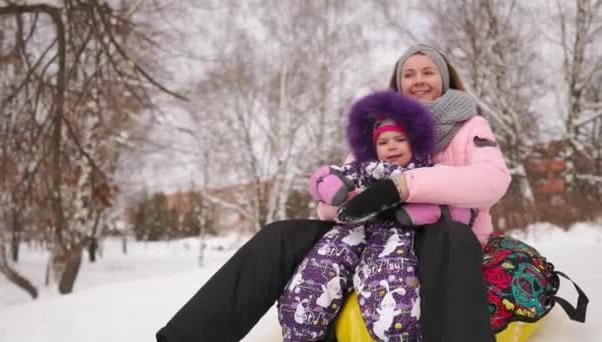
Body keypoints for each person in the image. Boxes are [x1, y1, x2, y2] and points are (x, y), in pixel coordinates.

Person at [156, 44, 511, 342]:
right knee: (281, 235)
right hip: (369, 234)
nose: (418, 80)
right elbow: (341, 190)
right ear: (398, 85)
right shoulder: (377, 130)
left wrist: (403, 187)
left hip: (433, 233)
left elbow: (492, 181)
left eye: (428, 71)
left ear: (444, 78)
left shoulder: (469, 126)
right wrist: (340, 204)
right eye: (409, 74)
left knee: (450, 237)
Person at [278, 91, 478, 342]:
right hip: (347, 237)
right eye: (383, 143)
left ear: (414, 143)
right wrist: (332, 188)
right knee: (308, 292)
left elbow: (462, 207)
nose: (391, 146)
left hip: (390, 246)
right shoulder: (360, 171)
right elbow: (321, 178)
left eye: (399, 139)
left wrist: (429, 211)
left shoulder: (425, 174)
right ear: (374, 147)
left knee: (394, 312)